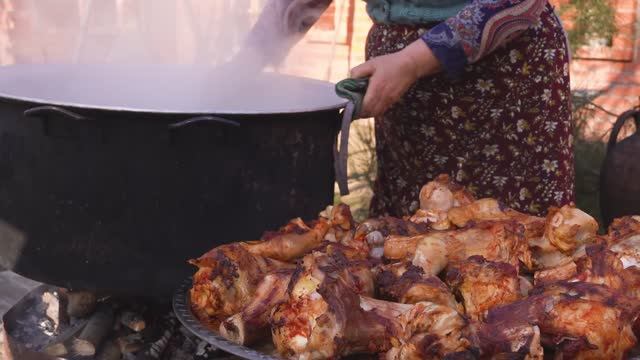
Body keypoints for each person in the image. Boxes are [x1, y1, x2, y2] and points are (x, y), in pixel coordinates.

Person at [239, 0, 574, 217]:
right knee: (410, 243)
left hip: (504, 74)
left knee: (514, 240)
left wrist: (412, 61)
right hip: (399, 71)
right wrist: (246, 63)